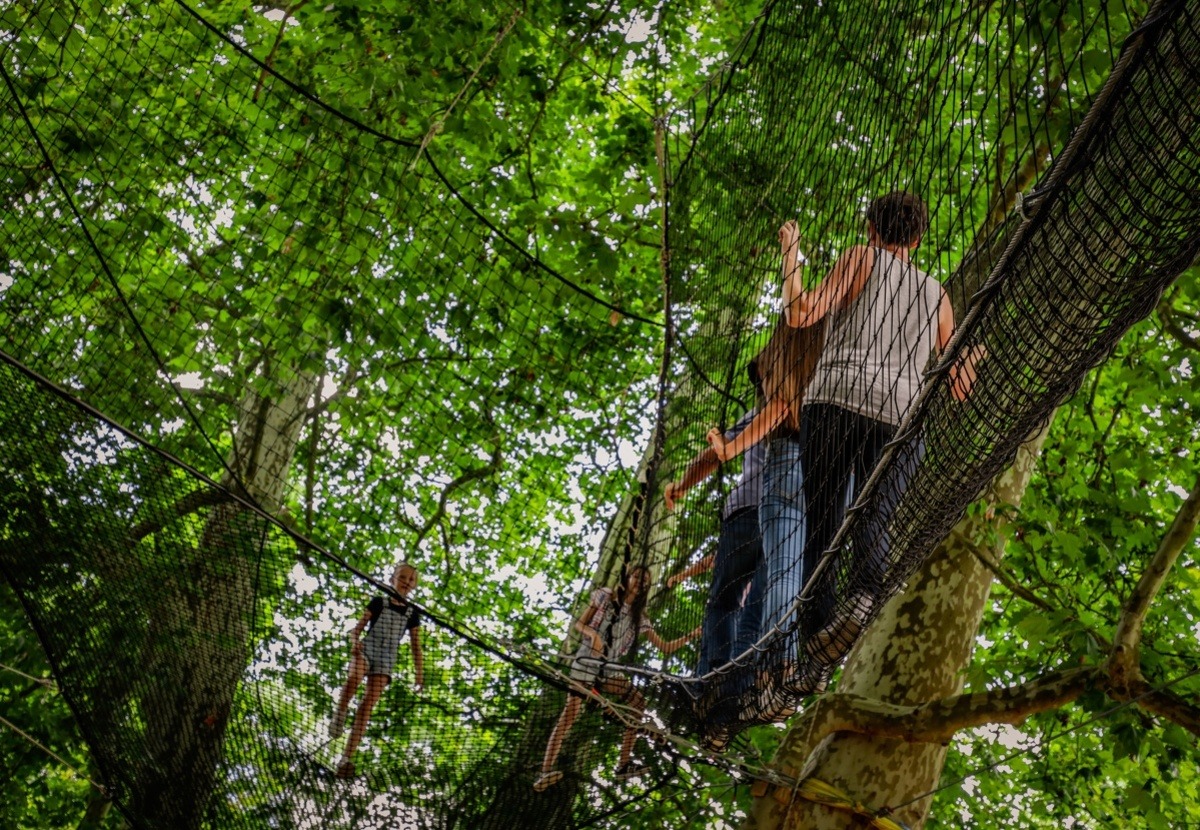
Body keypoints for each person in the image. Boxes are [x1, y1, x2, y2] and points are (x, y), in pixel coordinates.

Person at [780, 191, 982, 666]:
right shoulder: (938, 294)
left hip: (836, 402)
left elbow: (800, 313)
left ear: (871, 229)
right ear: (917, 238)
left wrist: (791, 255)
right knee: (875, 516)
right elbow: (959, 385)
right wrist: (974, 354)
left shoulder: (860, 257)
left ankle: (817, 639)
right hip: (900, 417)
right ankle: (865, 596)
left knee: (824, 524)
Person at [533, 565, 700, 791]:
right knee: (570, 714)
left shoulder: (639, 617)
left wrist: (693, 634)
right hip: (586, 662)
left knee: (638, 702)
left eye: (645, 581)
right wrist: (593, 636)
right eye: (637, 576)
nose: (640, 582)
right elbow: (579, 624)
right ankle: (545, 771)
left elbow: (665, 647)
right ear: (628, 577)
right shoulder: (605, 596)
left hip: (609, 669)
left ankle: (623, 764)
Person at [664, 359, 768, 681]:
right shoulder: (811, 403)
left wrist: (681, 485)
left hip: (747, 513)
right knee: (761, 602)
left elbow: (714, 456)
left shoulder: (756, 415)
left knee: (726, 601)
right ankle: (738, 683)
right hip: (790, 517)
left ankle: (712, 681)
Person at [330, 561, 425, 779]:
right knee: (354, 677)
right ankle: (340, 713)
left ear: (414, 586)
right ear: (392, 579)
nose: (406, 582)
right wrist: (354, 641)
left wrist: (420, 673)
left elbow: (415, 645)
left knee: (368, 703)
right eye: (403, 577)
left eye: (411, 580)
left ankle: (346, 758)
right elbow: (357, 629)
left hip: (387, 657)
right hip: (367, 647)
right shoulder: (378, 602)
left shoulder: (413, 613)